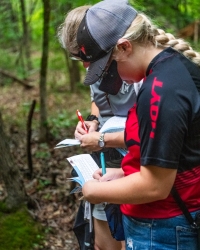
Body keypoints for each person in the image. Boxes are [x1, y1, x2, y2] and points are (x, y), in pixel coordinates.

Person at [67, 0, 200, 249]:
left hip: (163, 227)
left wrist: (94, 192)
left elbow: (156, 186)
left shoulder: (159, 91)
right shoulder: (173, 68)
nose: (109, 78)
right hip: (167, 218)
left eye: (109, 68)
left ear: (125, 47)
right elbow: (173, 157)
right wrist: (121, 174)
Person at [57, 5, 142, 250]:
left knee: (129, 235)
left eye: (85, 57)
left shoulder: (133, 67)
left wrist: (103, 140)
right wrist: (91, 121)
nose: (84, 65)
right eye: (77, 58)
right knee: (101, 239)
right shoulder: (98, 68)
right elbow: (98, 101)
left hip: (135, 161)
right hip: (106, 160)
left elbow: (152, 133)